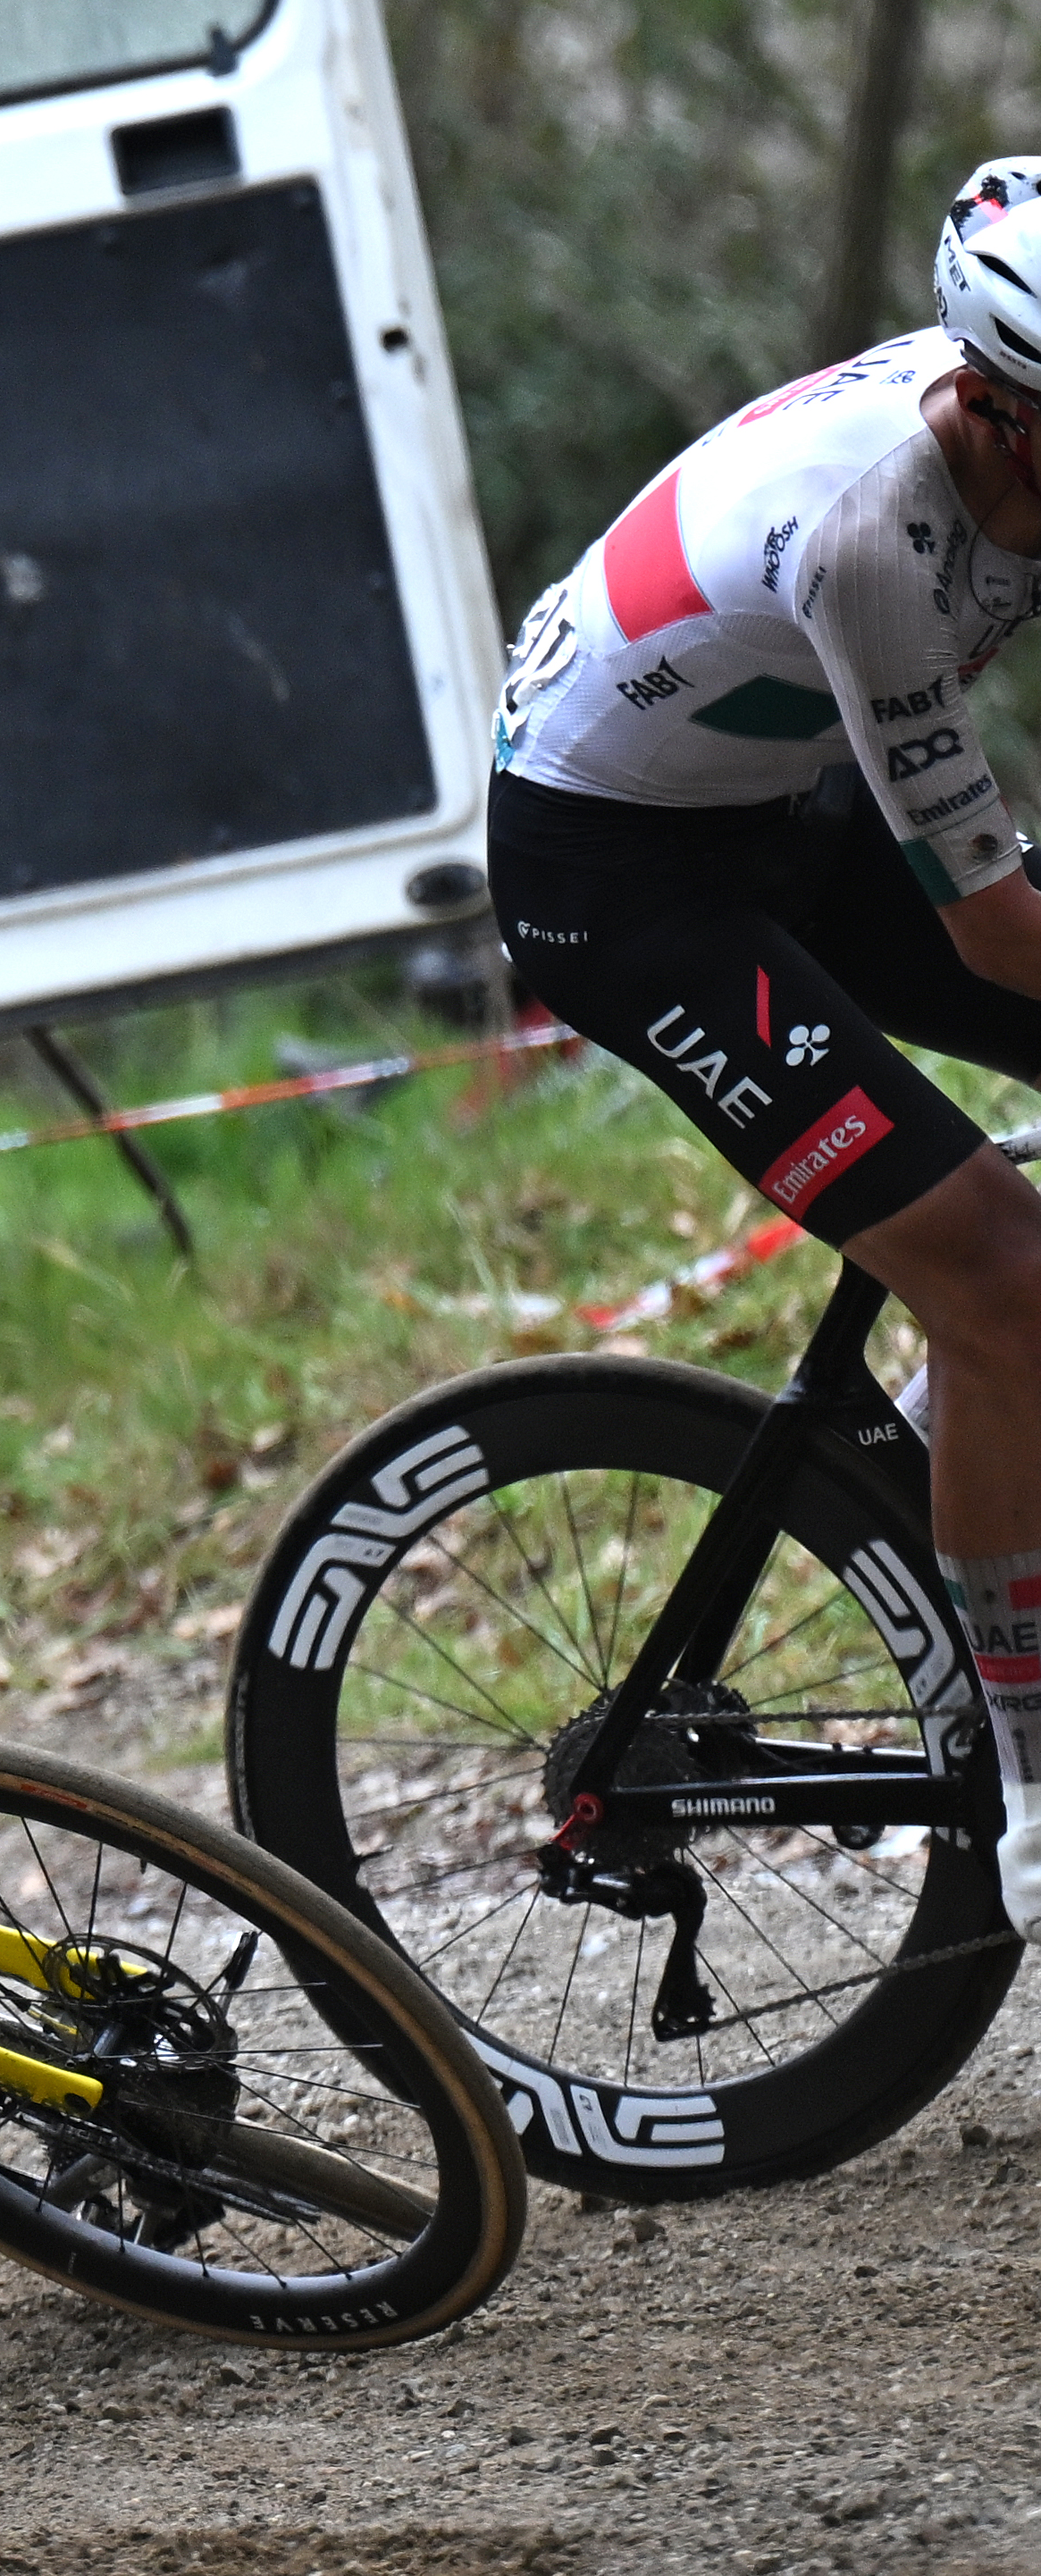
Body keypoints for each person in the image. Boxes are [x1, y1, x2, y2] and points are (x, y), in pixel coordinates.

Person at [487, 154, 1041, 1946]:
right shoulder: (873, 536)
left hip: (769, 804)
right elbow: (987, 928)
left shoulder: (1005, 434)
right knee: (999, 1269)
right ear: (998, 411)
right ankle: (1034, 1783)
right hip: (617, 877)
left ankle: (977, 1439)